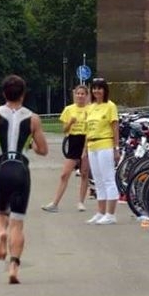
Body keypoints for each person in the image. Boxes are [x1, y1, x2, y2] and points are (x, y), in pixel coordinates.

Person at [0, 75, 49, 284]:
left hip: (3, 167)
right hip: (21, 169)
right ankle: (14, 265)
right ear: (23, 94)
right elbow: (43, 150)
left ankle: (1, 232)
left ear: (3, 94)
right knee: (18, 222)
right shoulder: (33, 118)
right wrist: (32, 145)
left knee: (0, 212)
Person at [42, 84, 90, 213]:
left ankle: (81, 202)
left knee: (84, 173)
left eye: (82, 94)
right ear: (74, 95)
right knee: (64, 174)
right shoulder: (69, 109)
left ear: (86, 96)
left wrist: (85, 149)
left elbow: (91, 129)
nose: (80, 96)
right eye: (78, 93)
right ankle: (55, 203)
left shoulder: (90, 110)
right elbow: (64, 129)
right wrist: (70, 122)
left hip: (86, 140)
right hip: (73, 140)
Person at [84, 77, 120, 225]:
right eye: (94, 88)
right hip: (92, 145)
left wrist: (116, 148)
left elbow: (115, 127)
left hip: (105, 143)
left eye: (99, 88)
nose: (96, 91)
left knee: (108, 179)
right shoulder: (90, 107)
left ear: (105, 90)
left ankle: (111, 214)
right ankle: (101, 212)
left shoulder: (110, 106)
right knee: (98, 180)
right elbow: (87, 129)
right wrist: (85, 149)